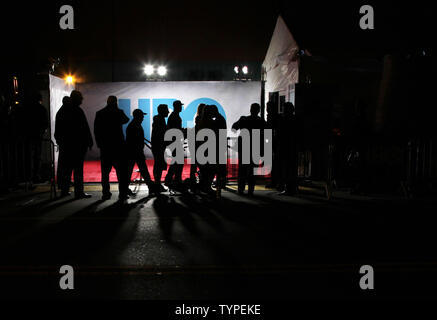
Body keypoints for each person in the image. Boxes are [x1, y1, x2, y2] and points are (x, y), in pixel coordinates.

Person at [54, 90, 93, 199]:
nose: (82, 100)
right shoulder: (78, 111)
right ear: (76, 99)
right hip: (78, 146)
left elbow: (58, 130)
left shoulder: (62, 111)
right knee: (78, 170)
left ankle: (64, 191)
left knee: (66, 169)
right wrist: (89, 141)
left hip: (66, 146)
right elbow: (84, 128)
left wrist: (61, 142)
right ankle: (79, 192)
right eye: (80, 98)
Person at [94, 95, 130, 201]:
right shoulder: (118, 112)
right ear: (115, 102)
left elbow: (96, 130)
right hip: (118, 146)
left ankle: (106, 193)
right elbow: (126, 120)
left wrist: (99, 144)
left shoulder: (100, 113)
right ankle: (122, 194)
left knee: (105, 173)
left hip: (105, 147)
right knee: (121, 172)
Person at [232, 103, 266, 195]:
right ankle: (251, 190)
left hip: (244, 148)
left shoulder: (244, 119)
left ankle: (240, 189)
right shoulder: (261, 121)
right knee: (252, 170)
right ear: (258, 111)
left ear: (250, 110)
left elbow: (234, 128)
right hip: (255, 148)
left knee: (242, 169)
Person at [126, 109, 155, 194]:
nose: (143, 118)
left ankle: (125, 188)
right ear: (138, 116)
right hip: (136, 151)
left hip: (133, 151)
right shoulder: (135, 125)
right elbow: (135, 140)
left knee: (130, 170)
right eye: (142, 116)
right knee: (143, 170)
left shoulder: (133, 125)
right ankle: (150, 186)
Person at [277, 102, 298, 195]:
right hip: (292, 148)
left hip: (285, 147)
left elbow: (280, 134)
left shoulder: (283, 120)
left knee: (286, 169)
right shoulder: (295, 119)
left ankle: (287, 188)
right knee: (292, 169)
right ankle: (292, 187)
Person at [164, 100, 185, 189]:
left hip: (174, 142)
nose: (181, 107)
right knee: (178, 163)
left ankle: (173, 179)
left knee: (176, 163)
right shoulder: (175, 116)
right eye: (180, 106)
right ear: (177, 107)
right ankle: (174, 179)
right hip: (175, 142)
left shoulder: (174, 116)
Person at [151, 104, 170, 192]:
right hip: (159, 146)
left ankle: (157, 183)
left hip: (157, 146)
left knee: (158, 164)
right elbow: (162, 134)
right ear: (162, 111)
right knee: (159, 165)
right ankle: (157, 184)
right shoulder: (160, 120)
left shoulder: (159, 119)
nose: (168, 112)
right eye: (166, 110)